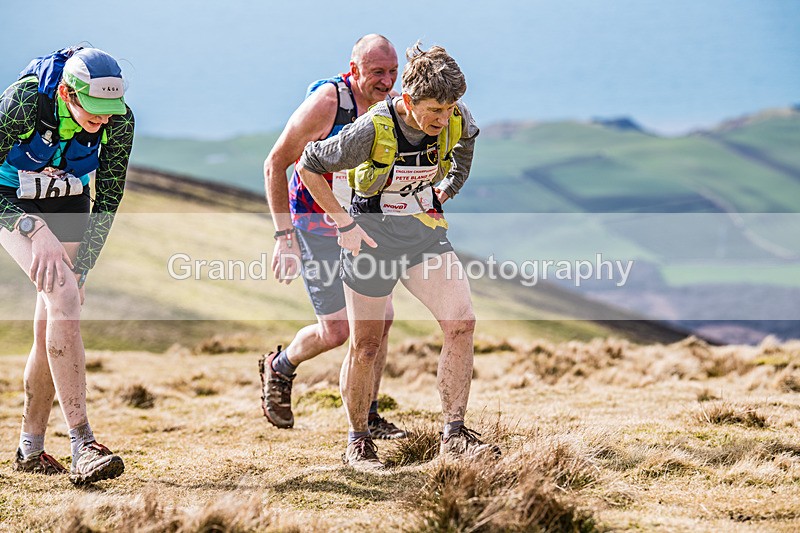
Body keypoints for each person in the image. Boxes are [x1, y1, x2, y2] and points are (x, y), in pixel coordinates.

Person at [297, 42, 500, 469]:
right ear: (407, 101)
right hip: (370, 236)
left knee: (461, 323)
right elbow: (308, 166)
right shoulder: (373, 128)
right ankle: (358, 441)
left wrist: (447, 190)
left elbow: (465, 151)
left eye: (449, 110)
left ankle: (454, 435)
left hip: (422, 233)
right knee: (367, 345)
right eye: (434, 111)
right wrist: (343, 223)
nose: (443, 120)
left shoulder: (457, 118)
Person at [260, 34, 406, 439]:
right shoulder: (328, 104)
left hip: (361, 224)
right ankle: (281, 365)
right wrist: (284, 237)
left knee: (383, 319)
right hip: (314, 223)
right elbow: (275, 164)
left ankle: (370, 415)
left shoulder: (388, 106)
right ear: (354, 68)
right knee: (336, 331)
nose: (387, 81)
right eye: (378, 72)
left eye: (393, 72)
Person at [0, 47, 134, 484]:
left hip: (68, 197)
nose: (102, 121)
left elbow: (108, 198)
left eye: (108, 111)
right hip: (12, 200)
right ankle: (83, 443)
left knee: (56, 313)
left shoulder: (120, 120)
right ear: (65, 92)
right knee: (62, 297)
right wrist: (30, 226)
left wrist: (85, 266)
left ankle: (30, 449)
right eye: (92, 112)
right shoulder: (23, 103)